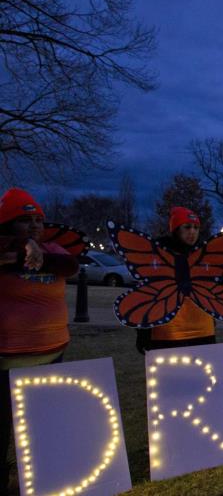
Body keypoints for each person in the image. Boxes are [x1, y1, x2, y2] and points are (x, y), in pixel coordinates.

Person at [0, 188, 79, 492]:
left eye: (38, 220)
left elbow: (70, 266)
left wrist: (38, 255)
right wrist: (21, 250)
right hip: (9, 354)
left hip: (52, 351)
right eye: (24, 220)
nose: (34, 225)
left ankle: (39, 477)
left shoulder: (53, 250)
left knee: (41, 424)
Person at [135, 207, 217, 352]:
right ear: (176, 229)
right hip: (168, 334)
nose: (192, 232)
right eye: (187, 227)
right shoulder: (158, 255)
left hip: (203, 331)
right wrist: (143, 333)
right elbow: (146, 296)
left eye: (196, 228)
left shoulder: (204, 255)